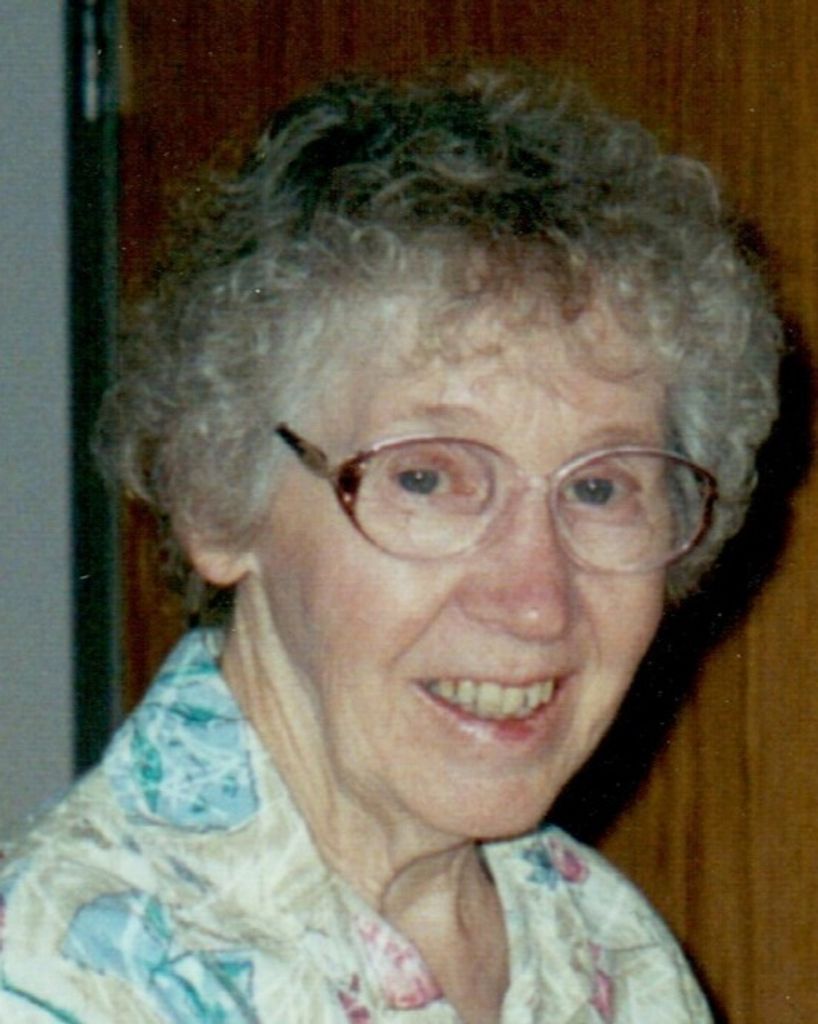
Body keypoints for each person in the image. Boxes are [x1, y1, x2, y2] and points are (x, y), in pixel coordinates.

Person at [0, 66, 781, 1023]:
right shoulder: (56, 977)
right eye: (428, 479)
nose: (536, 601)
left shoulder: (604, 948)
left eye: (599, 488)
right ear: (216, 498)